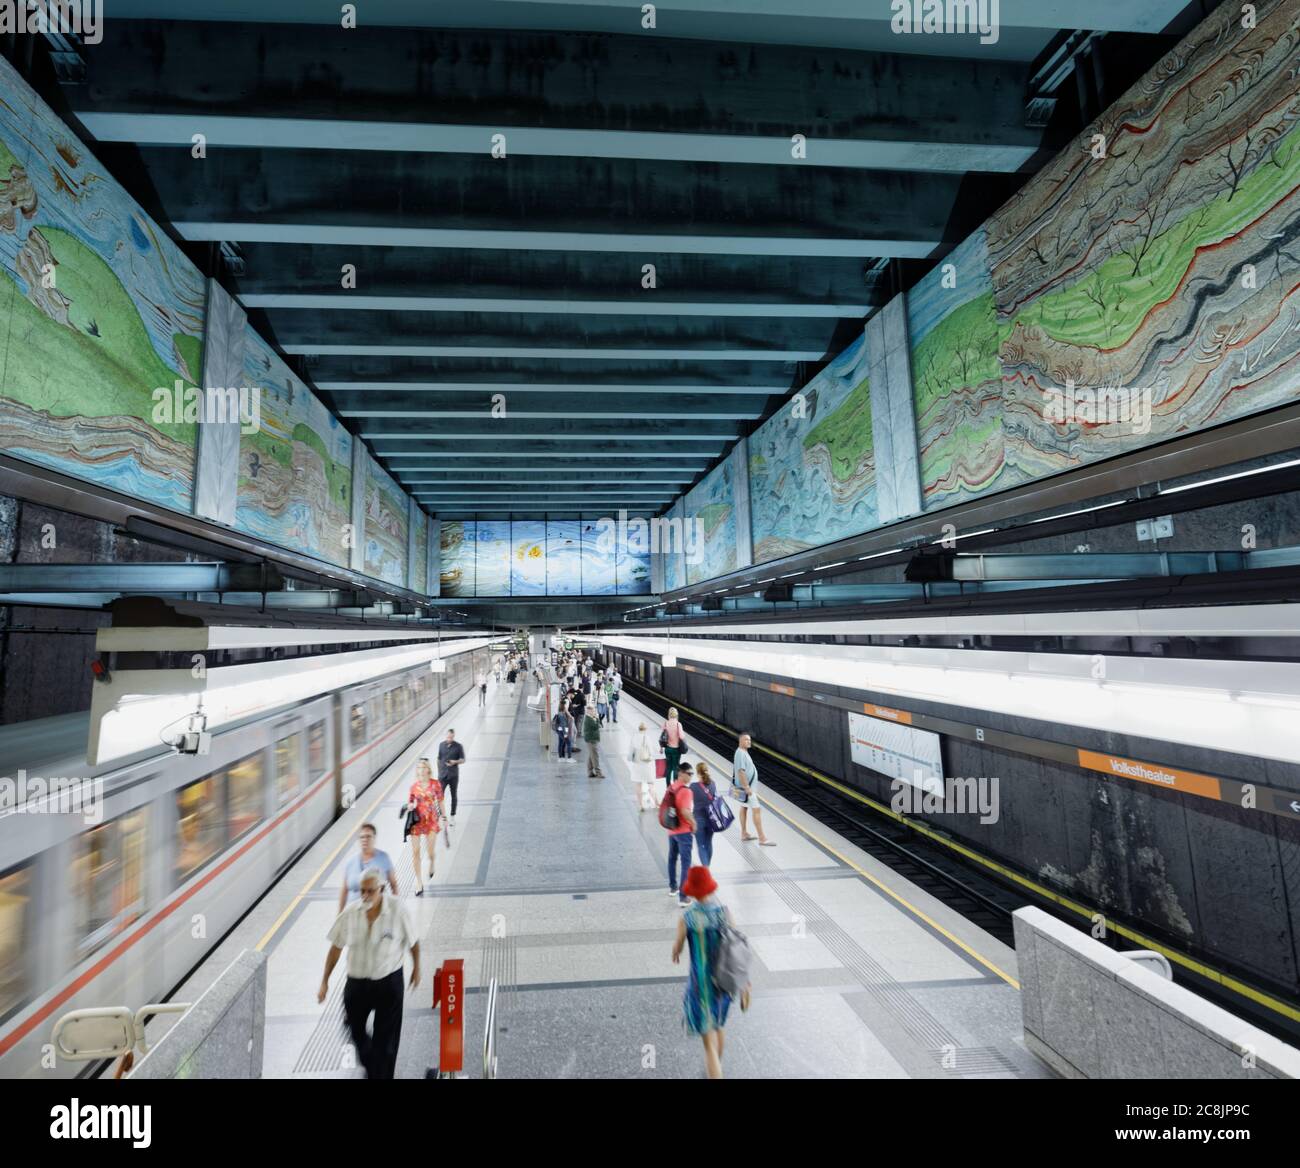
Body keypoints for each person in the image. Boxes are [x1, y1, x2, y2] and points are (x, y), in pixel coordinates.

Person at [319, 866, 420, 1079]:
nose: (364, 896)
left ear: (381, 888)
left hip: (388, 982)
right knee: (356, 1032)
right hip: (357, 984)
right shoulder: (350, 913)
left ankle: (381, 1074)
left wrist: (416, 969)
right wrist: (324, 981)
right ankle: (376, 1070)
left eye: (370, 891)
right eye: (362, 891)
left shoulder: (398, 910)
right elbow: (335, 948)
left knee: (386, 1041)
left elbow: (413, 941)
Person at [671, 866, 741, 1079]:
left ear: (691, 892)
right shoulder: (725, 913)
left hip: (700, 985)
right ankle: (716, 1067)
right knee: (719, 1026)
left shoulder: (687, 918)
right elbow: (737, 946)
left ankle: (714, 1071)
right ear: (710, 888)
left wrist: (676, 951)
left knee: (707, 1041)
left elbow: (678, 947)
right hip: (723, 983)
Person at [339, 822, 398, 911]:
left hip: (377, 911)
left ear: (374, 838)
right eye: (362, 837)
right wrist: (340, 914)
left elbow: (394, 885)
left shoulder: (384, 858)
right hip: (354, 912)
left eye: (368, 836)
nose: (364, 839)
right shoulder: (350, 862)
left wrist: (395, 908)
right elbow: (344, 891)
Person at [405, 758, 443, 895]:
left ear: (428, 769)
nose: (420, 770)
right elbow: (410, 802)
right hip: (416, 822)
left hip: (431, 821)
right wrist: (410, 806)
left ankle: (432, 862)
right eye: (418, 768)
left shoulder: (435, 784)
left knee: (430, 851)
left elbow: (441, 801)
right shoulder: (413, 787)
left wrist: (444, 817)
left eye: (423, 767)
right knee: (415, 851)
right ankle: (419, 882)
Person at [732, 732, 773, 845]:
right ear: (740, 741)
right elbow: (741, 771)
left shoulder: (743, 752)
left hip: (746, 788)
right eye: (746, 740)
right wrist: (747, 787)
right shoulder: (740, 753)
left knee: (744, 808)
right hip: (747, 788)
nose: (748, 742)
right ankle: (762, 838)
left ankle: (744, 833)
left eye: (749, 740)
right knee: (756, 810)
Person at [666, 761, 695, 907]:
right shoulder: (686, 791)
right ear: (681, 773)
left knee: (672, 858)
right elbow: (685, 811)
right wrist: (694, 824)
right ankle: (683, 897)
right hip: (683, 831)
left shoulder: (671, 786)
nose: (691, 776)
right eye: (689, 773)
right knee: (686, 863)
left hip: (672, 829)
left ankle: (673, 887)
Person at [690, 761, 719, 867]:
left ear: (698, 773)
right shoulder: (713, 784)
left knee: (701, 845)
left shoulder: (693, 786)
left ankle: (706, 869)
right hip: (712, 820)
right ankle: (707, 867)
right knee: (708, 843)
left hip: (698, 820)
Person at [438, 728, 466, 821]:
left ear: (453, 736)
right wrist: (439, 771)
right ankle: (441, 814)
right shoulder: (441, 745)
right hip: (443, 776)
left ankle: (453, 815)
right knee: (440, 795)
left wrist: (455, 762)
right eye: (448, 737)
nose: (449, 739)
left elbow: (463, 760)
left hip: (453, 776)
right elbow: (439, 759)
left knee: (454, 795)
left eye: (451, 737)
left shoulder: (458, 746)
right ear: (446, 736)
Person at [629, 721, 657, 811]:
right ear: (645, 729)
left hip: (637, 765)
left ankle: (641, 805)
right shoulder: (647, 738)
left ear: (639, 729)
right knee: (651, 784)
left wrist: (631, 759)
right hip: (647, 765)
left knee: (638, 785)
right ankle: (656, 803)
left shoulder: (634, 738)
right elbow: (651, 752)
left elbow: (630, 753)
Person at [661, 707, 685, 784]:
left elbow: (662, 737)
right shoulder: (678, 724)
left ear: (669, 715)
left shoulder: (665, 723)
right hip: (676, 749)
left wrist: (661, 748)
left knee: (668, 768)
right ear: (676, 715)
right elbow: (681, 736)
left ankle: (668, 787)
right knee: (676, 768)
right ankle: (675, 786)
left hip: (668, 749)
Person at [583, 703, 604, 778]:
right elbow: (596, 726)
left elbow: (598, 726)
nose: (594, 712)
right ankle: (599, 773)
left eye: (594, 711)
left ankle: (590, 772)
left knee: (591, 756)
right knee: (595, 756)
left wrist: (595, 718)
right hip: (592, 740)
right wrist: (597, 718)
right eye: (593, 711)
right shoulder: (588, 719)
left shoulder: (590, 718)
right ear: (589, 711)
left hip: (592, 739)